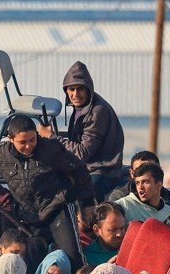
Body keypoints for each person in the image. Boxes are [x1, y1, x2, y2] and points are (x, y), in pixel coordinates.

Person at [0, 115, 95, 265]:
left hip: (57, 209)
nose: (28, 146)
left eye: (32, 140)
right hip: (30, 216)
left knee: (72, 255)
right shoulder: (2, 155)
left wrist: (87, 203)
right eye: (22, 142)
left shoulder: (51, 149)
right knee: (28, 258)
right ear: (10, 139)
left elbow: (79, 170)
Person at [37, 62, 126, 200]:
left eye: (80, 89)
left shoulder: (97, 112)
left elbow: (82, 152)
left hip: (102, 171)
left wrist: (52, 137)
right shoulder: (81, 108)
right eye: (71, 89)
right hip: (87, 167)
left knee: (76, 200)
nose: (75, 94)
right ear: (66, 90)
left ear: (88, 90)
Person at [116, 163, 170, 230]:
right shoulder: (123, 205)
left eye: (146, 182)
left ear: (159, 185)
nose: (140, 187)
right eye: (137, 183)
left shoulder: (168, 211)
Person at [81, 201, 127, 266]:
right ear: (97, 230)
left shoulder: (131, 247)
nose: (119, 234)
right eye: (113, 230)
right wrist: (106, 270)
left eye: (122, 228)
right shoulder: (86, 257)